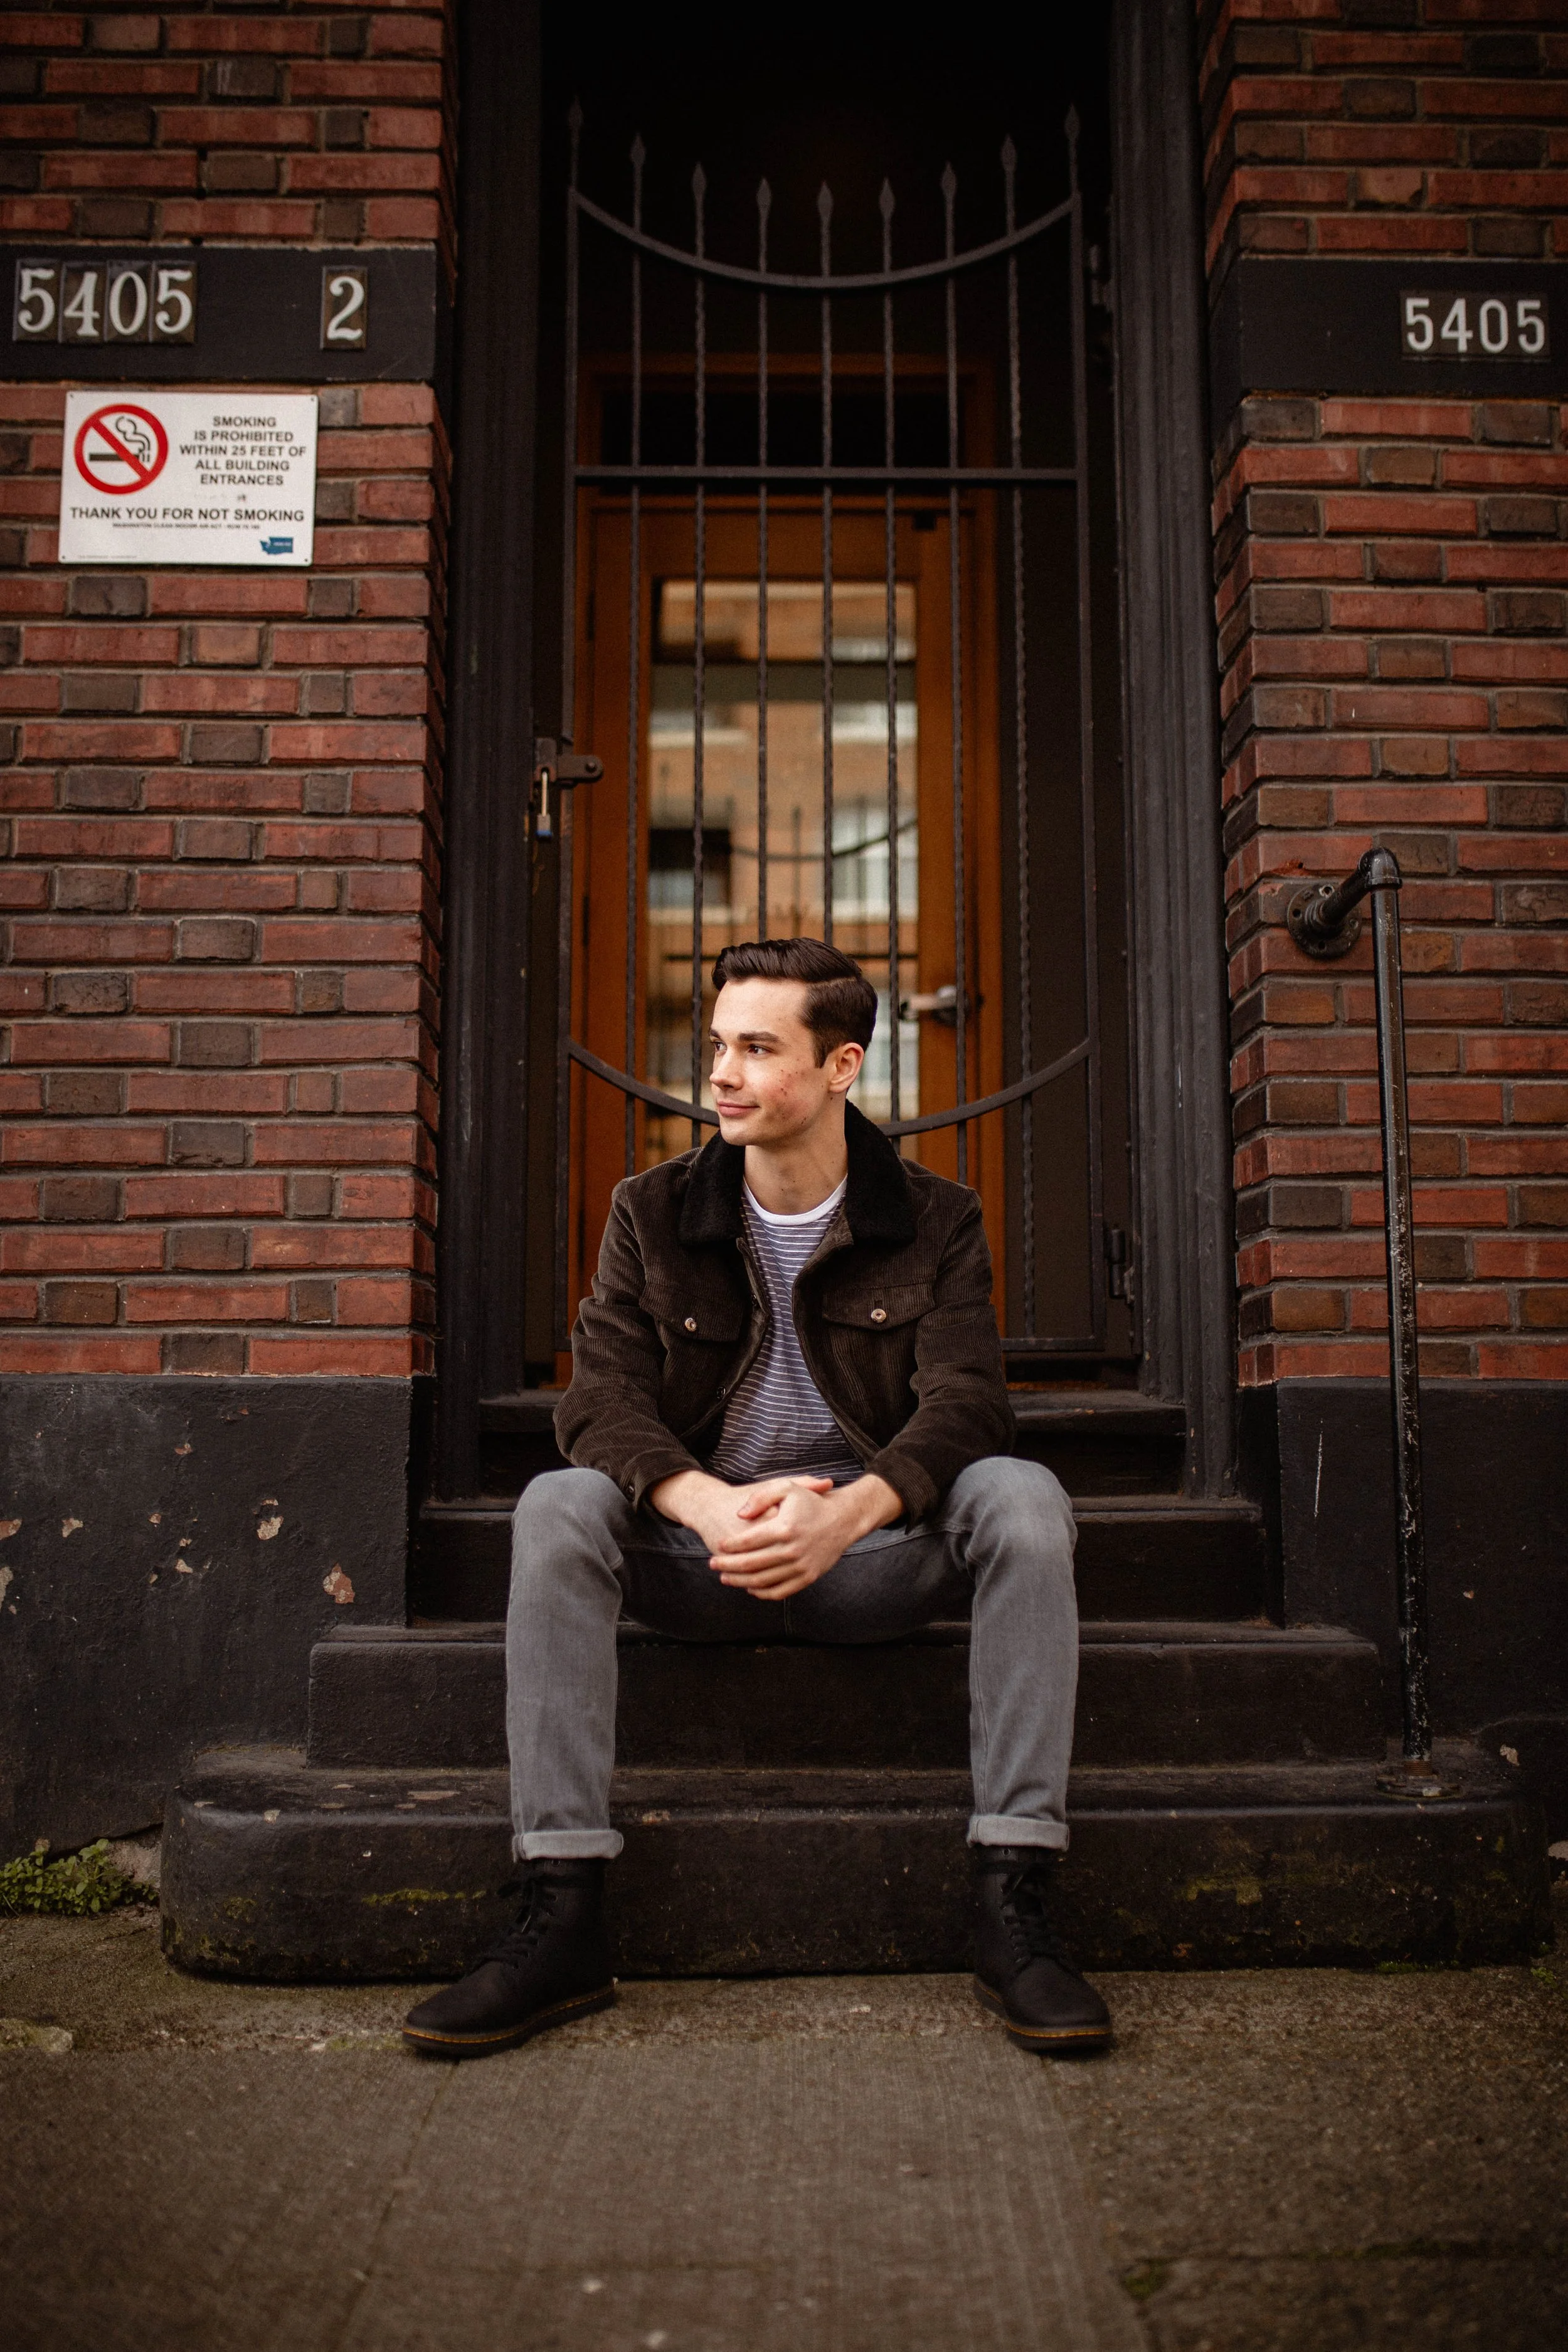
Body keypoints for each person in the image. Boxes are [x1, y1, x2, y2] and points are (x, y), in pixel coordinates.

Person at [404, 938, 1110, 2059]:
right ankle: (561, 1910)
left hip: (870, 1560)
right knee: (556, 1504)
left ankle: (1014, 1902)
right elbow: (599, 1402)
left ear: (841, 1068)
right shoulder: (654, 1211)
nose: (720, 1074)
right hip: (704, 1564)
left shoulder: (935, 1217)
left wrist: (852, 1511)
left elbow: (969, 1406)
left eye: (756, 1048)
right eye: (717, 1044)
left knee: (1021, 1498)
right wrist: (699, 1503)